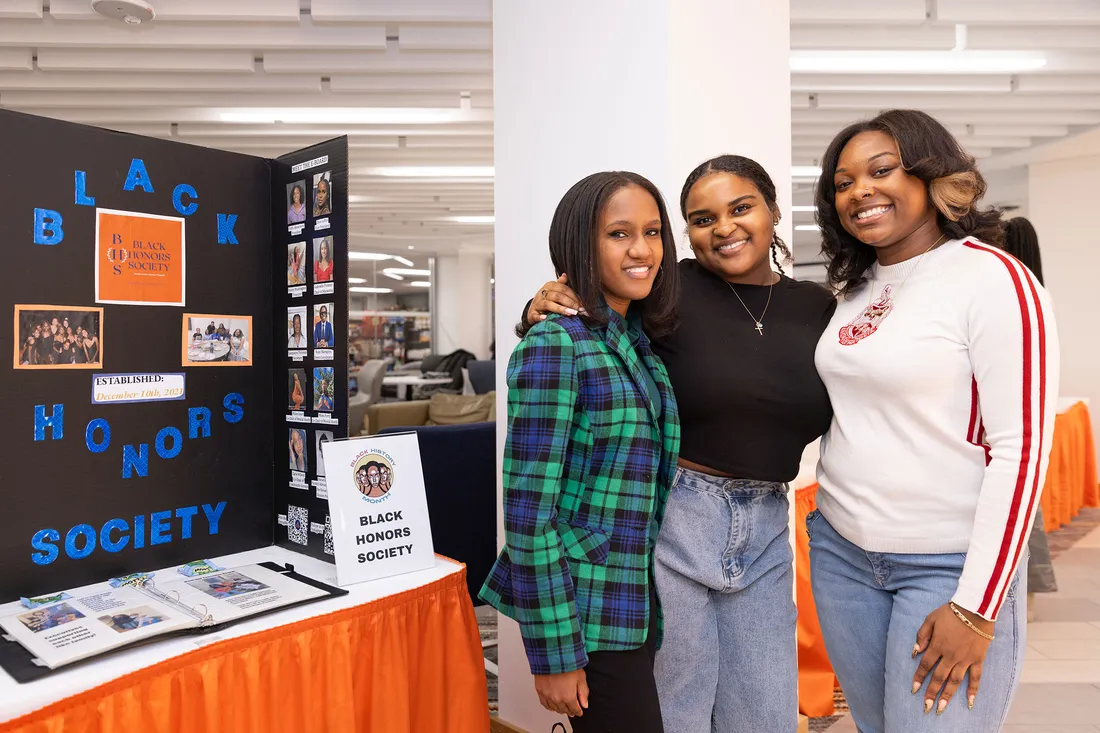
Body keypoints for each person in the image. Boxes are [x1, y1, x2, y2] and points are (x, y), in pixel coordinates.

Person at [523, 156, 835, 731]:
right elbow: (588, 313)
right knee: (676, 712)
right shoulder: (668, 288)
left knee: (764, 712)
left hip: (766, 520)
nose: (724, 227)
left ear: (771, 209)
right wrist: (538, 303)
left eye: (741, 208)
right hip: (673, 516)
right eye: (701, 217)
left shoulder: (818, 309)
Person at [809, 109, 1060, 733]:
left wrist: (977, 606)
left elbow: (1022, 451)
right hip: (843, 556)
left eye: (881, 170)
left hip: (948, 565)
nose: (859, 190)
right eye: (843, 183)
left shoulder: (995, 279)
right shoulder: (853, 291)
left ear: (931, 176)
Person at [481, 171, 680, 732]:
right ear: (581, 246)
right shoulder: (555, 343)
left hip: (635, 603)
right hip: (584, 609)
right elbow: (527, 515)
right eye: (619, 233)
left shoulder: (636, 344)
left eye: (653, 231)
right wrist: (553, 653)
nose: (642, 250)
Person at [1002, 216, 1058, 604]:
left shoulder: (1008, 292)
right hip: (1027, 418)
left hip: (1001, 425)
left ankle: (1022, 595)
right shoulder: (1038, 294)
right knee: (1025, 512)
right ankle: (1028, 594)